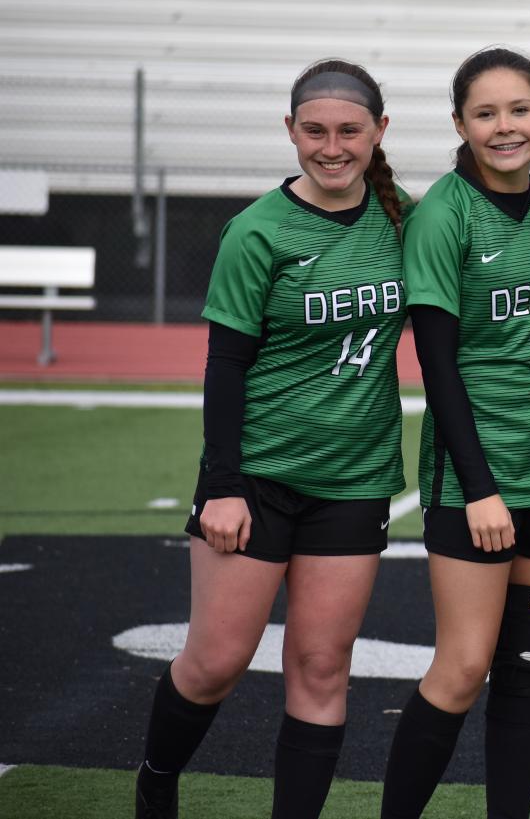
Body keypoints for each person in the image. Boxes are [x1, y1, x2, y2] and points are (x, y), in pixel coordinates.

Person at [134, 60, 408, 819]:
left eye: (349, 130)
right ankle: (157, 780)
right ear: (289, 131)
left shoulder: (402, 218)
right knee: (215, 661)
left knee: (322, 666)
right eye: (313, 131)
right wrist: (222, 484)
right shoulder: (256, 231)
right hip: (255, 478)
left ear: (379, 132)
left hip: (353, 479)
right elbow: (225, 365)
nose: (331, 146)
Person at [379, 48, 530, 819]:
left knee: (527, 668)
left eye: (519, 109)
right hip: (479, 481)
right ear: (460, 124)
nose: (505, 125)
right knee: (462, 667)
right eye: (485, 113)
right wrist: (480, 489)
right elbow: (437, 366)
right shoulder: (442, 214)